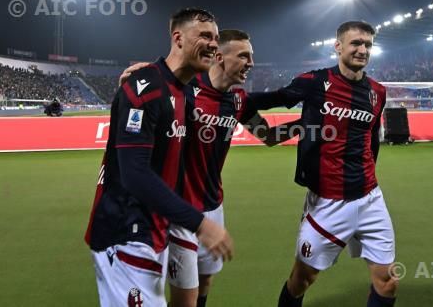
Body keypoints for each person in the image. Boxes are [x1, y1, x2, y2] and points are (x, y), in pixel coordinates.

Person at [121, 29, 299, 307]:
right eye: (244, 55)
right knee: (186, 297)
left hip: (214, 205)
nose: (251, 63)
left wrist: (308, 123)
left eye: (251, 56)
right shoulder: (185, 89)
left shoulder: (238, 101)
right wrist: (133, 85)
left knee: (205, 281)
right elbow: (147, 100)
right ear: (219, 56)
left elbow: (269, 136)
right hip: (180, 207)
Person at [84, 8, 234, 307]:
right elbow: (135, 174)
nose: (214, 44)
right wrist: (201, 224)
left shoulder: (183, 92)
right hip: (125, 231)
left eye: (216, 38)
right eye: (205, 35)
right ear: (177, 38)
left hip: (155, 227)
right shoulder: (146, 88)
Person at [250, 20, 398, 307]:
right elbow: (271, 99)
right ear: (338, 46)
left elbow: (372, 141)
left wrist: (368, 177)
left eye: (368, 44)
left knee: (388, 281)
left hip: (370, 198)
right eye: (356, 43)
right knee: (301, 280)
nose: (362, 50)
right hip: (327, 203)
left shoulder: (377, 92)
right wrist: (230, 95)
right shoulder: (315, 82)